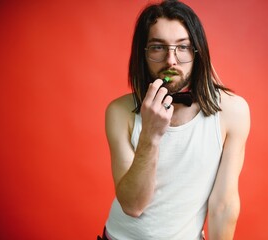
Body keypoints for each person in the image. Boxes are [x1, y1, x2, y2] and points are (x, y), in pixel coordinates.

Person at [98, 0, 250, 239]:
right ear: (144, 54)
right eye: (158, 47)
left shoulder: (233, 112)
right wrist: (150, 134)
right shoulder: (119, 112)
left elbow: (224, 205)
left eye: (183, 47)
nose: (171, 60)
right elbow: (132, 205)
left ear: (197, 51)